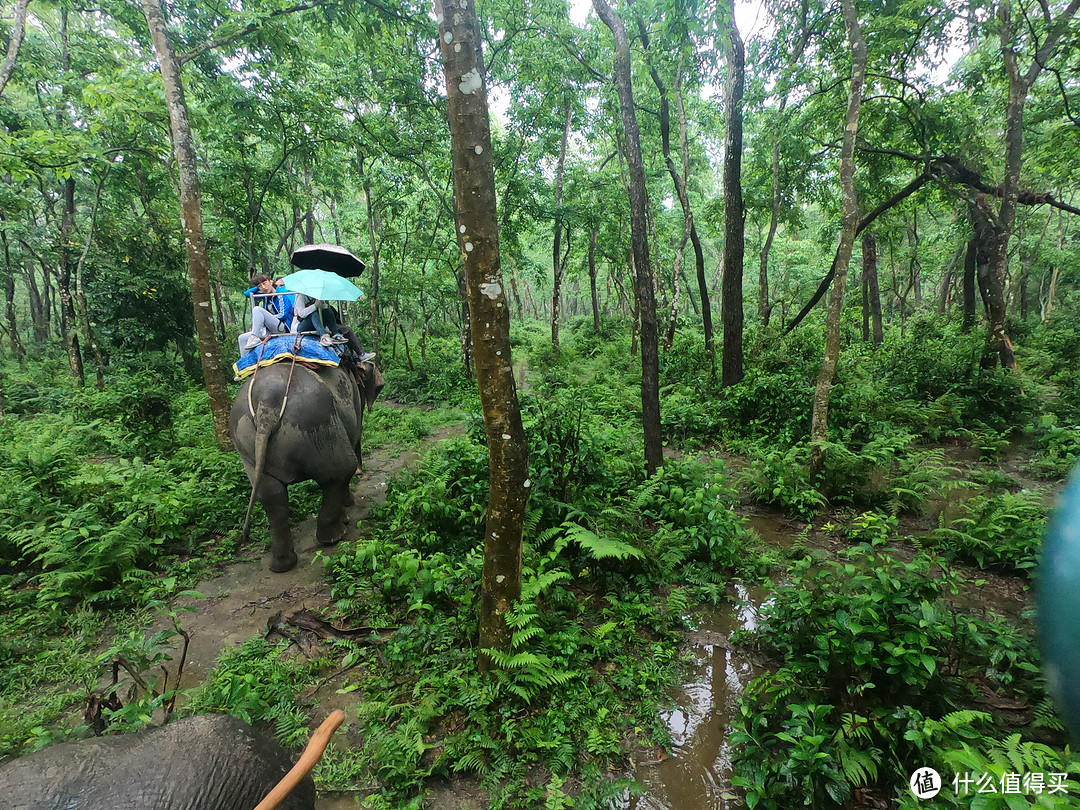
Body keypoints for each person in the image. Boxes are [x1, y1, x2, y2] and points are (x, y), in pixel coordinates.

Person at [294, 294, 370, 359]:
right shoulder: (301, 296)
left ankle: (335, 334)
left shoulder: (316, 296)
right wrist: (314, 306)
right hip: (301, 326)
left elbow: (324, 312)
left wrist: (322, 304)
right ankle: (323, 336)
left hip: (317, 324)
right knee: (313, 313)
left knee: (328, 311)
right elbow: (301, 313)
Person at [238, 274, 295, 354]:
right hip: (269, 328)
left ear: (271, 282)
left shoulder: (280, 295)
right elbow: (247, 294)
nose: (263, 287)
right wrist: (258, 286)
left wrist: (265, 318)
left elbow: (283, 315)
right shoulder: (265, 296)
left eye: (264, 283)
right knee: (242, 338)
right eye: (260, 286)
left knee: (257, 309)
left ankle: (254, 337)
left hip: (282, 328)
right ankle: (245, 363)